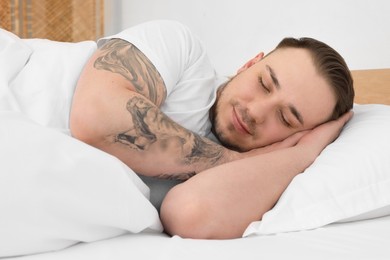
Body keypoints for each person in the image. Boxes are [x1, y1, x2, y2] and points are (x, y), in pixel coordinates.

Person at [69, 20, 354, 239]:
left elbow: (188, 214)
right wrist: (237, 160)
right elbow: (95, 118)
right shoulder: (181, 48)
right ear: (249, 64)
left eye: (286, 119)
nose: (255, 112)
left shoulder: (261, 176)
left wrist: (303, 154)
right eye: (264, 83)